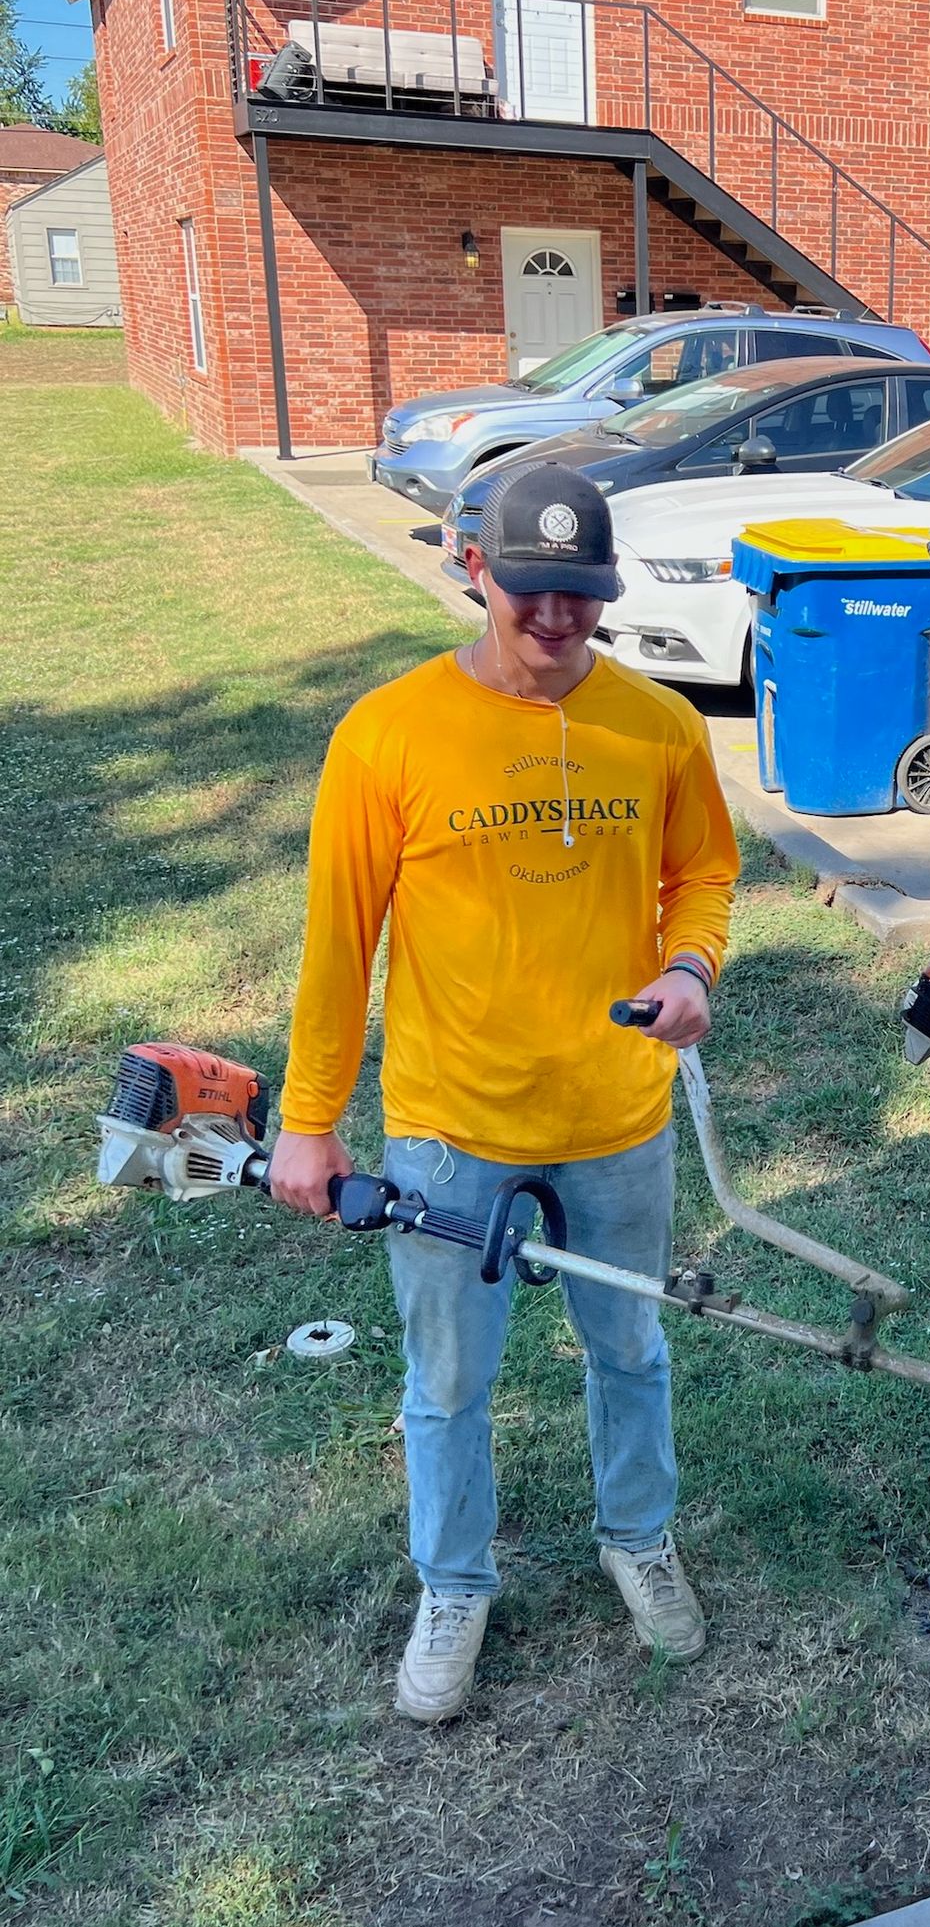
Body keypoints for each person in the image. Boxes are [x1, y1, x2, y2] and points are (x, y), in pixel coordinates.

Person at [269, 463, 740, 1723]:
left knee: (629, 1351)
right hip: (448, 1125)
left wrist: (692, 965)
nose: (553, 619)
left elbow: (702, 870)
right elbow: (339, 942)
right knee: (447, 1381)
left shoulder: (659, 724)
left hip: (616, 1115)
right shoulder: (389, 732)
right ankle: (455, 1582)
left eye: (578, 596)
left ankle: (637, 1534)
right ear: (476, 568)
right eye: (529, 590)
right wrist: (309, 1122)